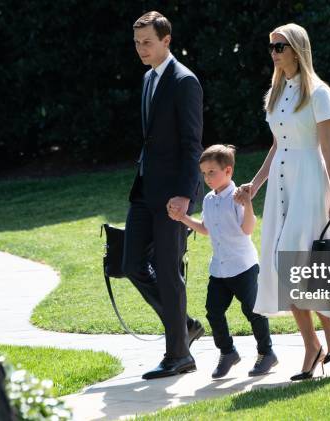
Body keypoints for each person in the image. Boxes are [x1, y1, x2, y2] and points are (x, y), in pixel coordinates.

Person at [235, 23, 330, 381]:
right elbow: (277, 146)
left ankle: (328, 334)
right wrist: (254, 185)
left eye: (280, 46)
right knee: (284, 266)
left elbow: (328, 149)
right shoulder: (276, 91)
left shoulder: (318, 93)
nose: (274, 53)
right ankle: (318, 341)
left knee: (298, 265)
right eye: (271, 47)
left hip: (310, 183)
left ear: (298, 48)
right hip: (282, 187)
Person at [122, 11, 204, 380]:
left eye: (147, 42)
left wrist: (186, 196)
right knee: (130, 265)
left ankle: (178, 354)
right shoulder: (146, 79)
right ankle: (183, 325)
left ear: (166, 40)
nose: (141, 48)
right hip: (144, 191)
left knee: (170, 274)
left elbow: (192, 146)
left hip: (173, 197)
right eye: (138, 42)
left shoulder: (184, 81)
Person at [170, 145, 278, 379]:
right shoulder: (209, 199)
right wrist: (182, 218)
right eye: (204, 173)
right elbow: (206, 229)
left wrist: (248, 204)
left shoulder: (238, 196)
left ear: (227, 171)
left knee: (253, 311)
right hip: (219, 269)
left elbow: (247, 229)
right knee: (213, 311)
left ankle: (267, 353)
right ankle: (228, 352)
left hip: (243, 266)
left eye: (212, 172)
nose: (207, 178)